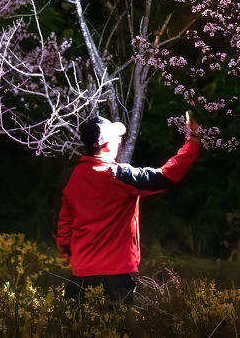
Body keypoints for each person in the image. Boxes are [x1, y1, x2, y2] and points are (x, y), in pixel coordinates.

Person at [56, 110, 201, 303]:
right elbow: (167, 175)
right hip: (117, 278)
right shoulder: (120, 175)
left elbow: (63, 230)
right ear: (106, 144)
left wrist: (70, 255)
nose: (119, 141)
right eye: (116, 138)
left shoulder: (70, 178)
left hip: (80, 278)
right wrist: (194, 142)